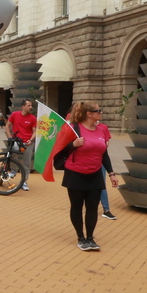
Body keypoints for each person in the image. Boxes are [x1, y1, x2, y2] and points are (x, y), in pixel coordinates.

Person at [57, 102, 118, 251]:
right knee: (77, 207)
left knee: (92, 207)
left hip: (95, 173)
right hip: (75, 173)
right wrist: (73, 144)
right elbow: (58, 148)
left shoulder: (101, 130)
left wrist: (111, 173)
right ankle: (80, 237)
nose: (101, 113)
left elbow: (104, 154)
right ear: (89, 114)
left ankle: (90, 238)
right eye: (98, 111)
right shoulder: (73, 129)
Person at [5, 99, 36, 191]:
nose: (31, 107)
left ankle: (24, 182)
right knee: (12, 152)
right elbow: (7, 126)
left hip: (27, 142)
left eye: (31, 106)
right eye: (28, 105)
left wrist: (31, 140)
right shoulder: (15, 114)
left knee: (27, 163)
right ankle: (14, 170)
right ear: (23, 106)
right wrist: (10, 137)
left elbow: (35, 131)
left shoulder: (33, 118)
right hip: (16, 140)